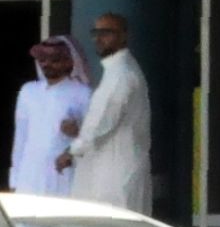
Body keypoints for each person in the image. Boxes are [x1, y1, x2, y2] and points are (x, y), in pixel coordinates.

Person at [64, 12, 153, 213]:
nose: (99, 38)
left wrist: (71, 151)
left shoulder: (121, 74)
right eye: (96, 32)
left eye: (107, 32)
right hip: (110, 172)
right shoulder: (117, 70)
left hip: (114, 175)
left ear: (124, 35)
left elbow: (103, 120)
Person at [7, 36, 91, 197]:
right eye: (42, 59)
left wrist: (76, 132)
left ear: (69, 61)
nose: (47, 64)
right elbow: (20, 138)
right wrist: (15, 179)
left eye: (54, 60)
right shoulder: (28, 91)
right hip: (29, 174)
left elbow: (91, 136)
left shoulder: (83, 93)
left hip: (64, 173)